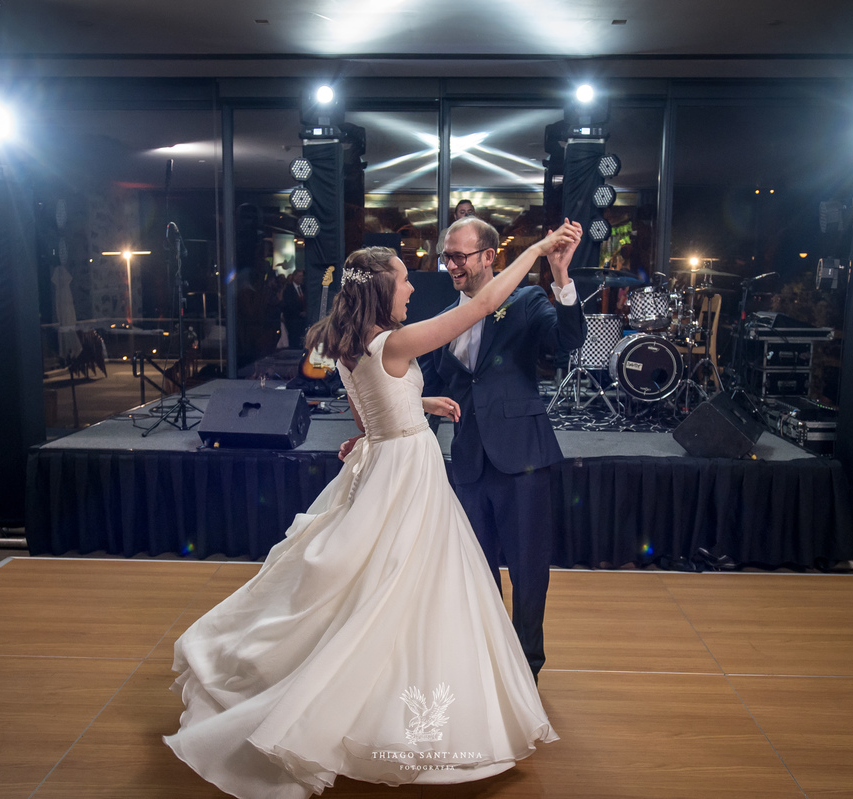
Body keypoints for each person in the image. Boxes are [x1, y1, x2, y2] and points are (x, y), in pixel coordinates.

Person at [164, 223, 583, 799]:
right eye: (406, 280)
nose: (415, 286)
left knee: (394, 582)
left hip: (401, 460)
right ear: (382, 290)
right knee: (409, 586)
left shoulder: (349, 343)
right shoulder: (397, 341)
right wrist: (535, 248)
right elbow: (483, 305)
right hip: (412, 473)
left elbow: (373, 411)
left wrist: (418, 401)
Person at [418, 215, 586, 680]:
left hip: (523, 459)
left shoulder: (526, 300)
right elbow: (429, 391)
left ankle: (527, 668)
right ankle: (490, 666)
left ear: (489, 256)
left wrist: (560, 277)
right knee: (476, 570)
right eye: (446, 257)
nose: (451, 265)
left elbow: (568, 341)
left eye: (459, 256)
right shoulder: (444, 319)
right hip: (468, 462)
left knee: (529, 571)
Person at [280, 268, 307, 348]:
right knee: (294, 339)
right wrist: (299, 313)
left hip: (303, 320)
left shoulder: (304, 288)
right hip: (293, 319)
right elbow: (288, 304)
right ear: (294, 277)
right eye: (299, 276)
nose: (301, 278)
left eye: (302, 276)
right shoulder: (288, 289)